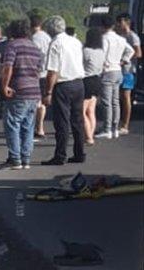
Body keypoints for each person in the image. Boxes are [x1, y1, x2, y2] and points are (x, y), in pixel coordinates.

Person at [40, 16, 85, 166]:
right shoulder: (75, 41)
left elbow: (53, 71)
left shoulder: (55, 43)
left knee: (62, 122)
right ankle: (79, 152)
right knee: (77, 120)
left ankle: (60, 155)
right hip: (78, 83)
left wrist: (48, 92)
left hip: (63, 85)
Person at [0, 19, 42, 169]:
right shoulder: (35, 48)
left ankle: (15, 158)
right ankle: (26, 158)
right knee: (28, 126)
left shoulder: (13, 46)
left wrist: (5, 85)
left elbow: (8, 67)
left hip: (19, 90)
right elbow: (38, 70)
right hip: (34, 91)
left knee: (12, 123)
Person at [98, 16, 133, 140]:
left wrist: (102, 66)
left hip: (108, 70)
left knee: (107, 102)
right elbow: (131, 50)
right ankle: (115, 128)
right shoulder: (120, 39)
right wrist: (124, 60)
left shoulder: (104, 38)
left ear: (102, 26)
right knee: (115, 101)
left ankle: (107, 129)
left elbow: (103, 53)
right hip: (118, 70)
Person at [115, 13, 142, 134]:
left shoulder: (133, 37)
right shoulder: (119, 36)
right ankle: (117, 123)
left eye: (119, 22)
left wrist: (125, 60)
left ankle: (125, 125)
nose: (117, 25)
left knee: (126, 97)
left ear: (126, 22)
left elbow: (138, 53)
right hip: (117, 70)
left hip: (128, 71)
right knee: (118, 98)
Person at [81, 26, 104, 145]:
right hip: (97, 79)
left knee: (82, 111)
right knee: (91, 111)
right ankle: (91, 135)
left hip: (87, 80)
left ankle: (88, 136)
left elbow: (80, 64)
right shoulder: (101, 52)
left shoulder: (86, 51)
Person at [30, 13, 51, 138]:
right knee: (43, 102)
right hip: (47, 72)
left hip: (37, 73)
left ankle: (37, 127)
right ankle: (41, 127)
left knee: (36, 102)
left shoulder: (34, 39)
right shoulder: (47, 37)